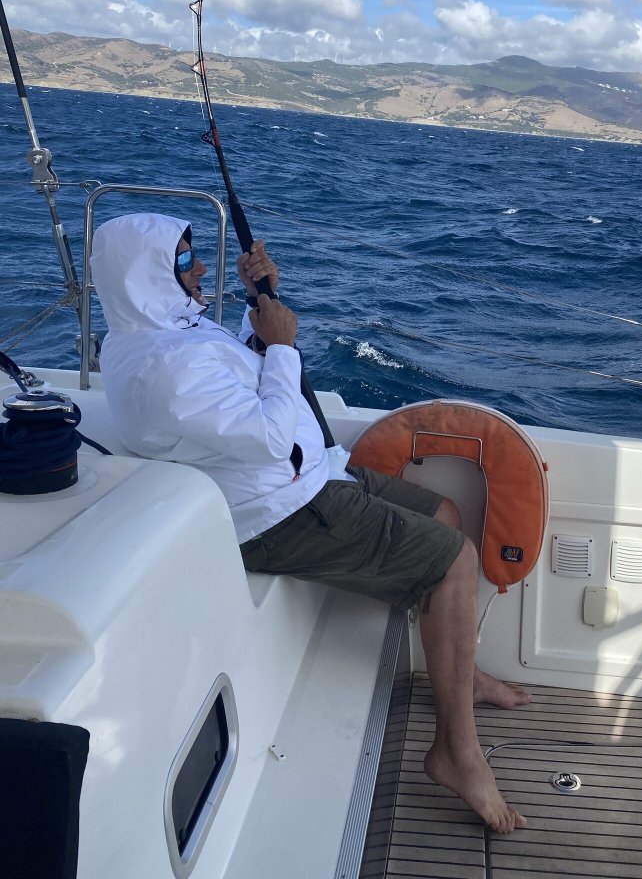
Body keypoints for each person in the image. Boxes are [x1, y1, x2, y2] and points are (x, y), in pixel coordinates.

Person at [90, 212, 528, 833]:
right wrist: (285, 346)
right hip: (280, 511)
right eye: (185, 262)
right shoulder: (162, 371)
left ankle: (463, 674)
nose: (199, 268)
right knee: (451, 558)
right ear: (146, 276)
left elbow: (235, 378)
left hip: (311, 476)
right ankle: (456, 753)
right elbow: (268, 438)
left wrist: (255, 307)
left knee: (445, 515)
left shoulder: (164, 333)